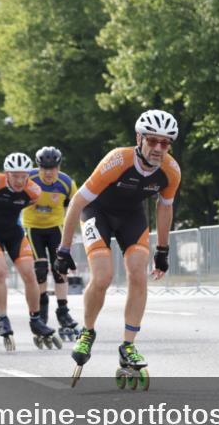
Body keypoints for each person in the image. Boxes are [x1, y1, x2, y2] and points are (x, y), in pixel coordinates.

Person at [57, 110, 180, 388]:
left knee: (138, 274)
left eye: (166, 143)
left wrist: (163, 249)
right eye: (153, 141)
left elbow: (164, 208)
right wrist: (63, 250)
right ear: (139, 138)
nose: (159, 148)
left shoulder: (171, 170)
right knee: (102, 276)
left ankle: (128, 345)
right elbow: (76, 203)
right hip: (97, 212)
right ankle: (87, 332)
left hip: (132, 218)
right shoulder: (118, 160)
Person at [0, 152, 59, 350]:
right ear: (7, 174)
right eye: (15, 176)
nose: (20, 181)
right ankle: (2, 318)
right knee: (1, 271)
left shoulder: (34, 191)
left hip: (14, 232)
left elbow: (27, 202)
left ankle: (35, 319)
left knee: (30, 274)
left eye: (24, 176)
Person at [22, 146, 79, 340]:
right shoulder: (28, 179)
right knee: (40, 269)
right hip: (32, 227)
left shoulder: (66, 183)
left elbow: (72, 208)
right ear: (38, 167)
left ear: (58, 166)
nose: (48, 172)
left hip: (55, 227)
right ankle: (42, 307)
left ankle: (63, 311)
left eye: (52, 168)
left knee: (59, 268)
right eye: (44, 168)